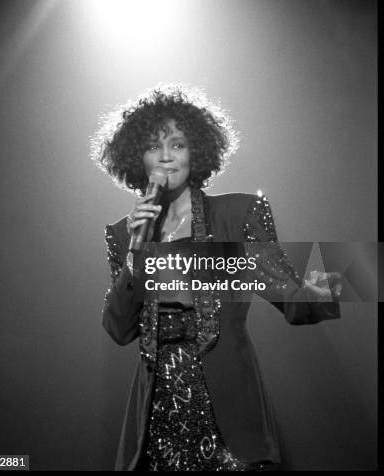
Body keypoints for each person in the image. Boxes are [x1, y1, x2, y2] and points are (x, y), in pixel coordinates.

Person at [90, 85, 341, 471]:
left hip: (227, 409)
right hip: (158, 413)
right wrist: (134, 258)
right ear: (136, 157)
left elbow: (289, 296)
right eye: (154, 147)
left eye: (178, 145)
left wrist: (343, 281)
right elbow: (119, 330)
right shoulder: (125, 233)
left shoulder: (237, 215)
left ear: (197, 152)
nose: (166, 157)